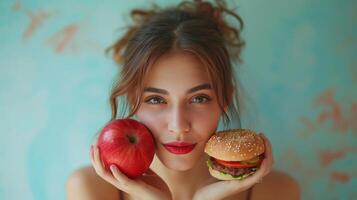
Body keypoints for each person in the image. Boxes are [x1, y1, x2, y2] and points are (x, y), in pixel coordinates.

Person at [65, 0, 300, 199]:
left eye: (198, 98)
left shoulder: (277, 191)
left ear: (225, 99)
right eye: (156, 100)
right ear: (133, 99)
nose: (178, 125)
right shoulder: (91, 190)